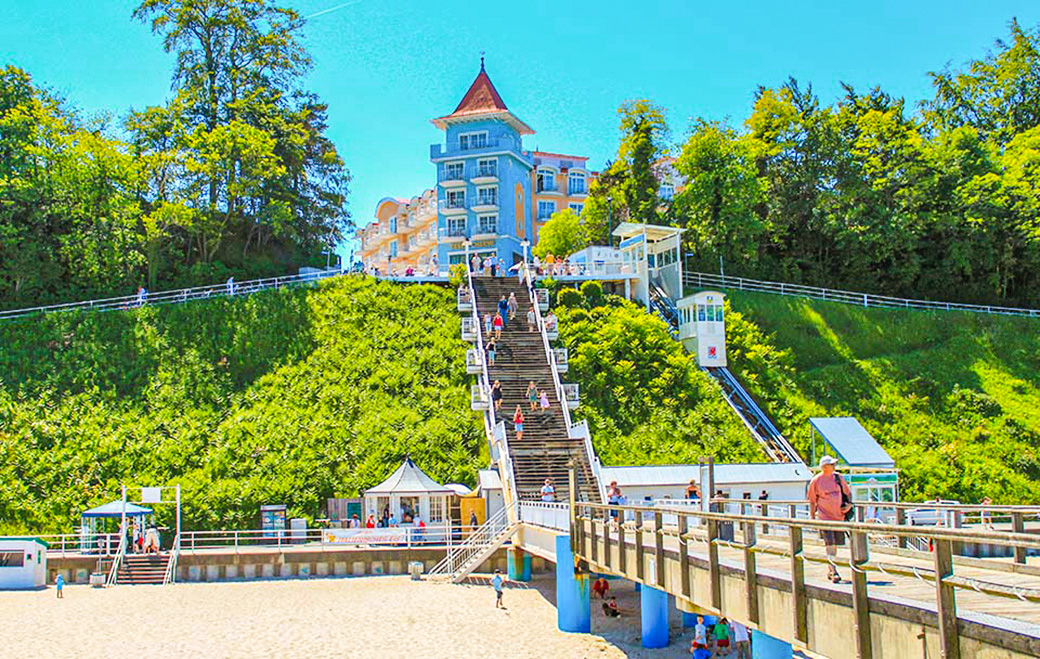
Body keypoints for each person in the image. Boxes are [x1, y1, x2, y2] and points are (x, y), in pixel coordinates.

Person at [808, 455, 852, 583]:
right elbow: (812, 500)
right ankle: (834, 571)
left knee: (835, 545)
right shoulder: (816, 480)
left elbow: (847, 493)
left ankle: (830, 568)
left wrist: (849, 504)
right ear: (824, 467)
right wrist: (812, 518)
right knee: (830, 544)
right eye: (831, 464)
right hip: (824, 517)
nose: (834, 466)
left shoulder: (838, 478)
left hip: (839, 517)